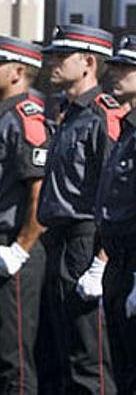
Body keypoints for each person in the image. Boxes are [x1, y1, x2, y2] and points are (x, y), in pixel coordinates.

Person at [36, 24, 124, 395]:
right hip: (56, 242)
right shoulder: (66, 114)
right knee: (59, 353)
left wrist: (101, 261)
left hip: (85, 243)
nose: (50, 61)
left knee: (89, 359)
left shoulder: (103, 115)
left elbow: (115, 193)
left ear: (88, 62)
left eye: (61, 55)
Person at [0, 35, 50, 394]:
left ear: (18, 72)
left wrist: (20, 248)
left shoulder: (26, 119)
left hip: (13, 248)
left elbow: (39, 191)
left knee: (12, 358)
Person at [97, 35, 136, 393]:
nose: (116, 73)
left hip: (134, 266)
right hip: (118, 266)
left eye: (127, 67)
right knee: (121, 371)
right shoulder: (127, 129)